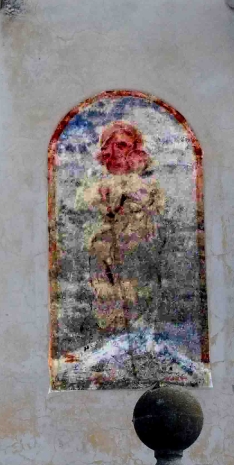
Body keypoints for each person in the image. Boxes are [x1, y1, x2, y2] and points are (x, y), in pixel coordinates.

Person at [80, 121, 165, 332]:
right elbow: (94, 207)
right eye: (116, 145)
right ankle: (114, 332)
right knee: (108, 290)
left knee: (138, 289)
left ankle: (139, 335)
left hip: (138, 241)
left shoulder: (145, 181)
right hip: (107, 243)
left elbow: (156, 206)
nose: (120, 152)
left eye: (126, 145)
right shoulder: (99, 182)